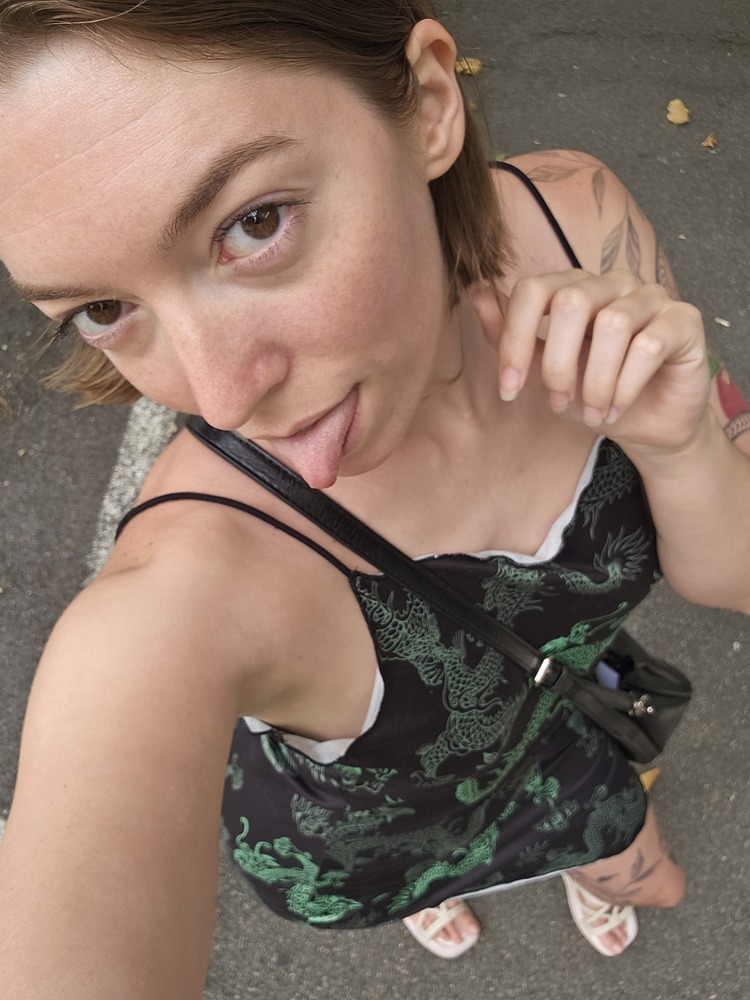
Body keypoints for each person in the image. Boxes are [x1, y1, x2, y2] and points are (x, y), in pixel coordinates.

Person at [0, 0, 748, 993]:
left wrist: (682, 442)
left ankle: (561, 857)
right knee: (434, 875)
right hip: (369, 847)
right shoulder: (183, 590)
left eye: (254, 223)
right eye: (102, 309)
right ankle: (428, 892)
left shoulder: (576, 219)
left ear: (430, 102)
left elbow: (734, 569)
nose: (222, 399)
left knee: (646, 869)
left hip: (557, 729)